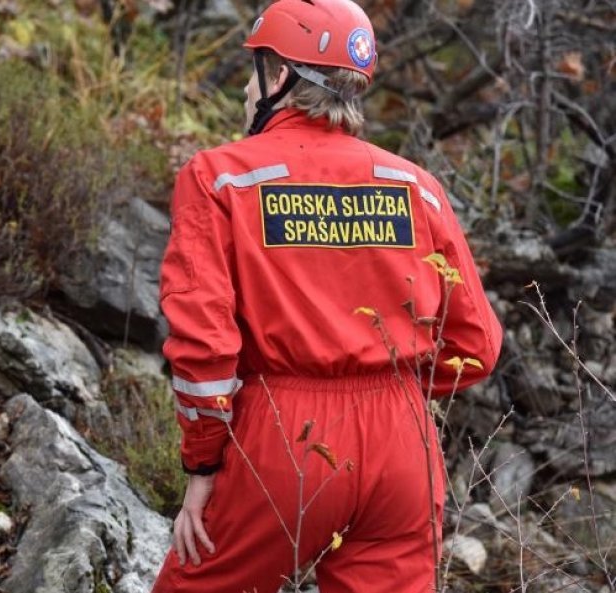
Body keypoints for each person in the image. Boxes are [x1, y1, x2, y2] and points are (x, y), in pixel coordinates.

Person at [152, 0, 504, 592]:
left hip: (286, 436)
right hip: (404, 443)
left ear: (280, 76)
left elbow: (205, 350)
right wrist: (392, 391)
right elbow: (478, 346)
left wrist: (203, 463)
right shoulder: (417, 187)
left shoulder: (221, 178)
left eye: (254, 69)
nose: (245, 87)